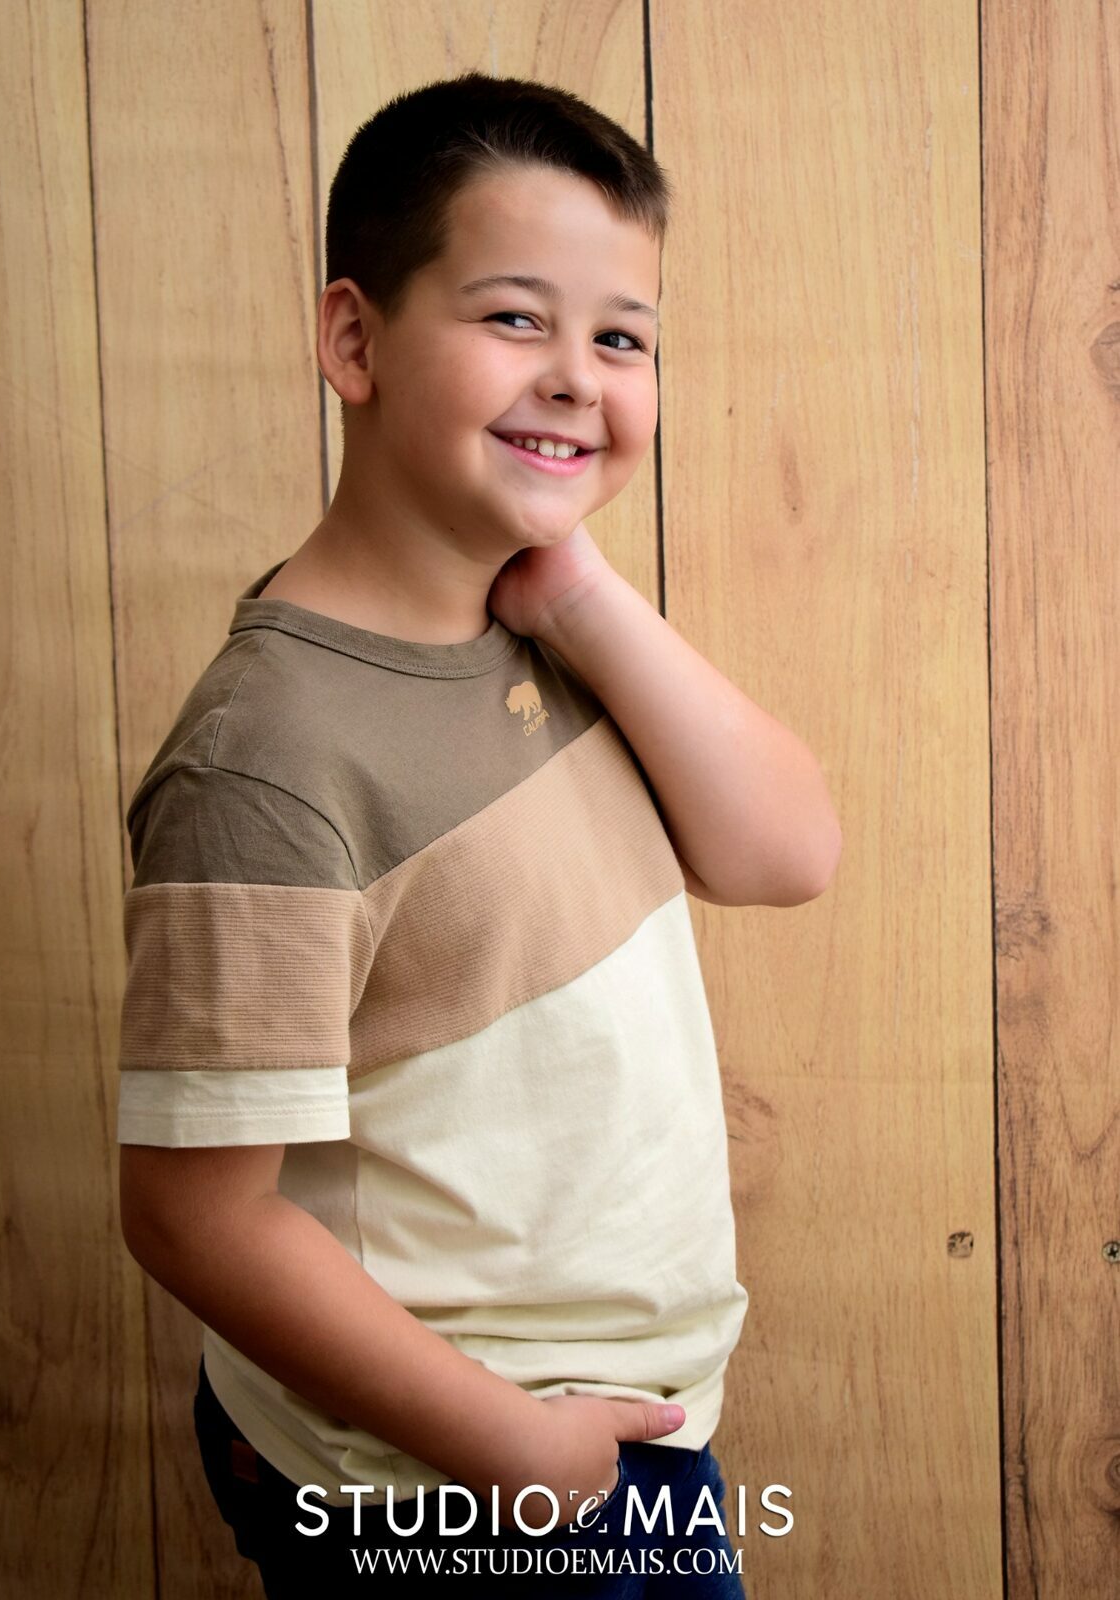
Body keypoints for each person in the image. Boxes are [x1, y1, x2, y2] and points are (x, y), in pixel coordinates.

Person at [116, 71, 841, 1597]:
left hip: (604, 1425)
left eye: (622, 339)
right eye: (517, 319)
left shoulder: (541, 628)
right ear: (355, 341)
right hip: (453, 1477)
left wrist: (580, 590)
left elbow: (787, 854)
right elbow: (193, 1217)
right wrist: (508, 1451)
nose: (577, 378)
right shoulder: (275, 757)